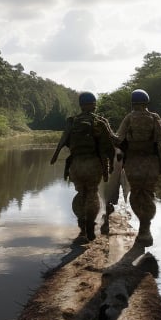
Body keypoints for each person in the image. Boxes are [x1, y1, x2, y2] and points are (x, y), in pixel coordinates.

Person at [50, 91, 116, 241]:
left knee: (81, 194)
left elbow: (63, 140)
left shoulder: (72, 121)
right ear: (94, 104)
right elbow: (109, 146)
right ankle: (90, 227)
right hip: (93, 165)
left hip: (76, 165)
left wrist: (55, 156)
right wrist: (111, 164)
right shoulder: (100, 122)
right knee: (92, 193)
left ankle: (81, 228)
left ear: (80, 105)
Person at [116, 89, 161, 246]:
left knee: (136, 194)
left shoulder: (129, 117)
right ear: (147, 102)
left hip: (133, 163)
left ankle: (142, 227)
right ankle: (146, 230)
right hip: (151, 163)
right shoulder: (154, 117)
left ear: (132, 103)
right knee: (149, 194)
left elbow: (118, 139)